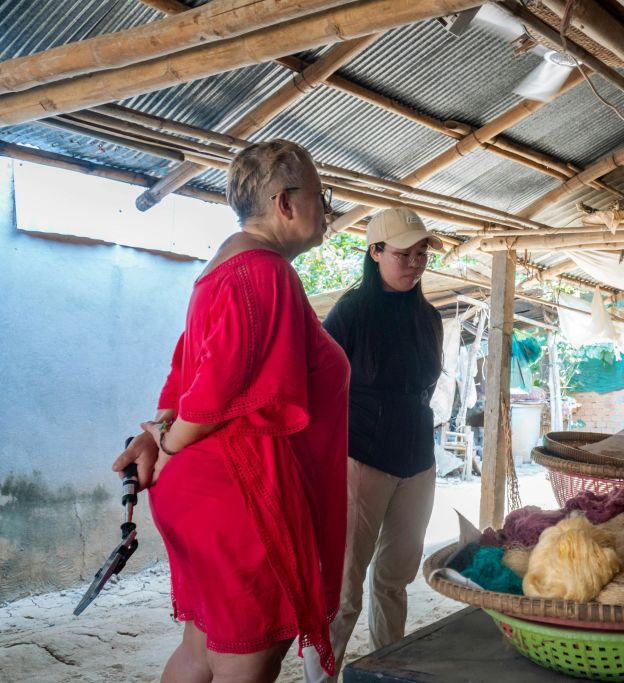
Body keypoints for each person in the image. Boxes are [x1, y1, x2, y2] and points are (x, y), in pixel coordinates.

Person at [111, 139, 349, 682]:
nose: (326, 208)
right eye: (321, 195)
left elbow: (182, 377)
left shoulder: (219, 271)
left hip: (206, 492)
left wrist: (160, 438)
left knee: (201, 650)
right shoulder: (265, 272)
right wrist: (167, 445)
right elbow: (215, 390)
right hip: (240, 493)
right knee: (249, 654)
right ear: (284, 203)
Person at [304, 207, 443, 681]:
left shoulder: (430, 317)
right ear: (375, 252)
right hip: (359, 459)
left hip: (418, 462)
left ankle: (388, 673)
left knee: (394, 581)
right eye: (403, 254)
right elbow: (317, 384)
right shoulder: (351, 312)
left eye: (421, 254)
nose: (414, 263)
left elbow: (425, 387)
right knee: (342, 592)